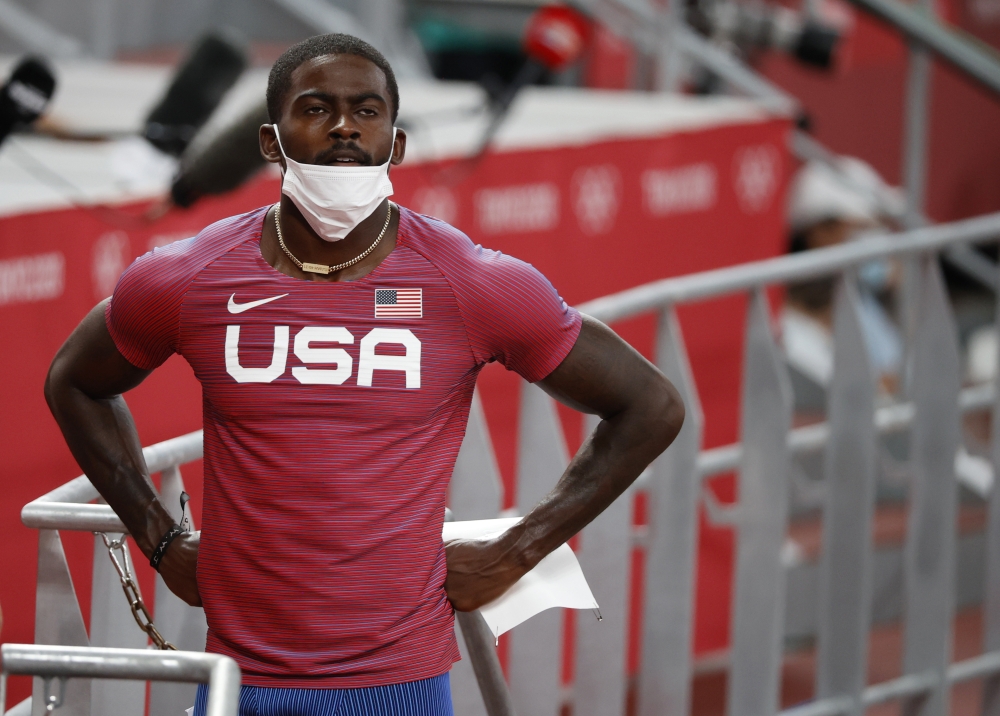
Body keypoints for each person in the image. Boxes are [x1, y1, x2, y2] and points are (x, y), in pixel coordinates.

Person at [44, 34, 684, 715]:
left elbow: (650, 405)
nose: (345, 126)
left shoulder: (466, 282)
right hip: (239, 682)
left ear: (396, 144)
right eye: (316, 108)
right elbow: (74, 381)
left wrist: (517, 551)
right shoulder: (192, 276)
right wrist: (158, 535)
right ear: (270, 141)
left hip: (398, 687)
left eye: (367, 111)